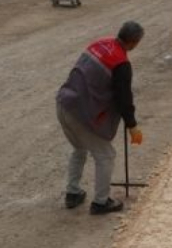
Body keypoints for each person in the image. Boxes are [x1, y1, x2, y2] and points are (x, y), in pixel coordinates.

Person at [56, 21, 145, 215]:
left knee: (79, 148)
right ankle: (101, 202)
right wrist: (132, 126)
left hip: (64, 103)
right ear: (133, 42)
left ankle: (73, 193)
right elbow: (124, 98)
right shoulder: (121, 63)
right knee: (106, 155)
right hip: (81, 114)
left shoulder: (99, 43)